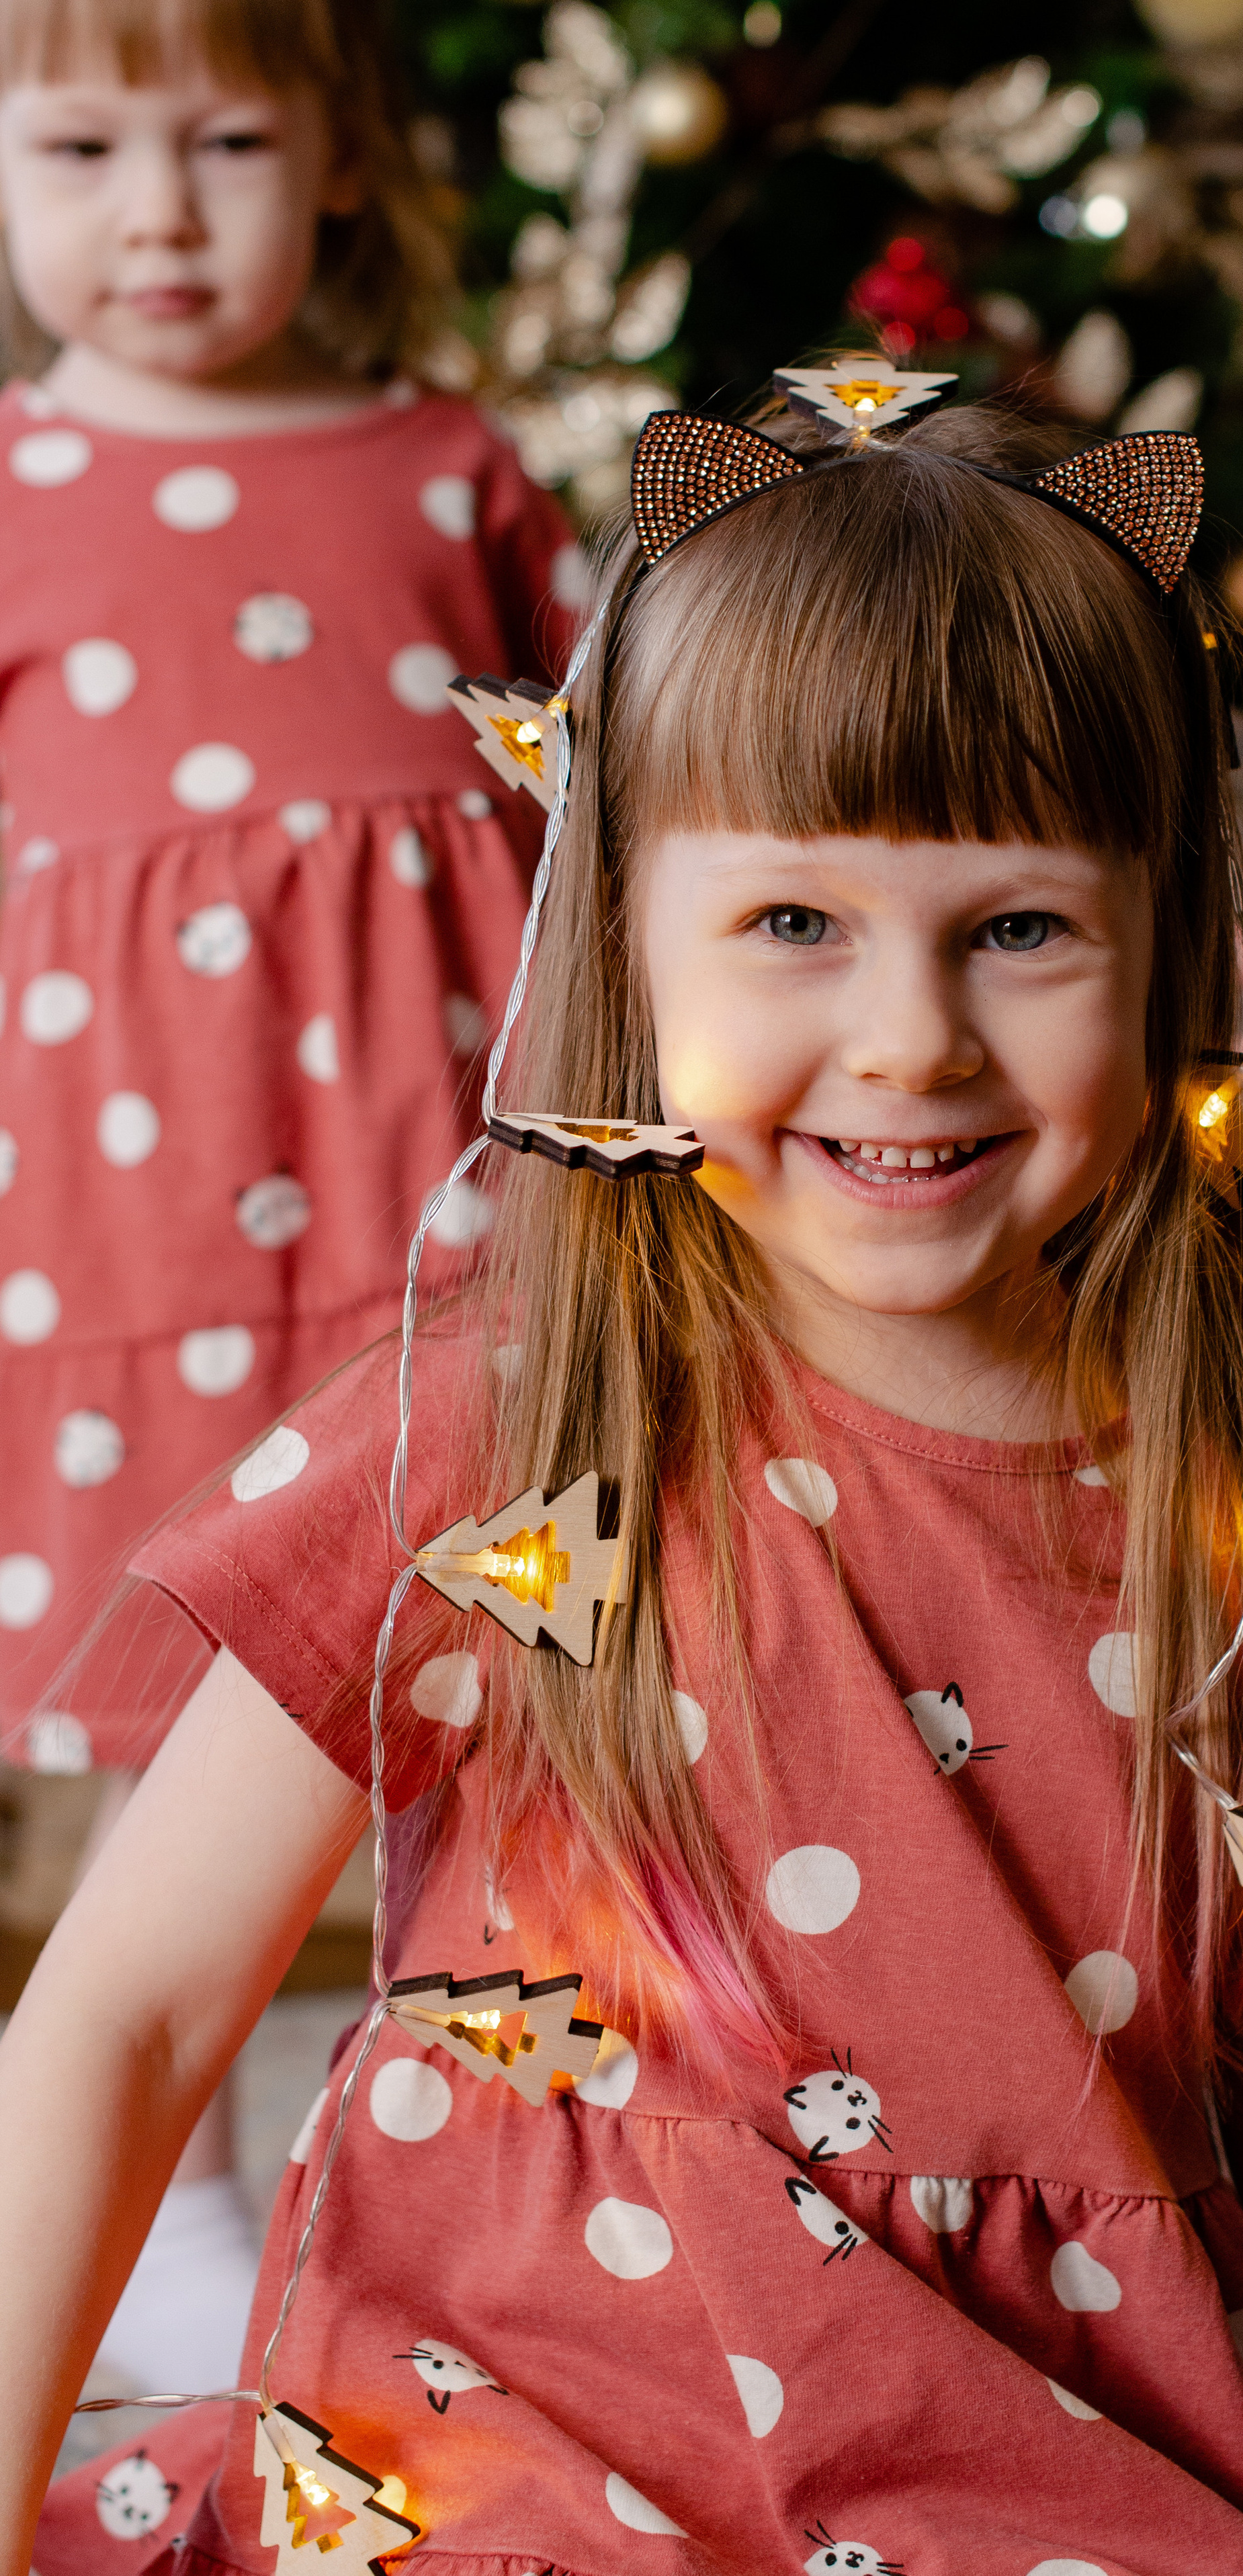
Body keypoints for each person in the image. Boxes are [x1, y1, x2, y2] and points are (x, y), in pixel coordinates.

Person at [5, 392, 1243, 2576]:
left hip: (1045, 2488)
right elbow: (130, 2010)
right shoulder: (512, 1437)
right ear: (632, 941)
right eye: (797, 922)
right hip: (513, 2461)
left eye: (1016, 930)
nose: (909, 1035)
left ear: (1169, 942)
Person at [0, 0, 577, 2394]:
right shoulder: (15, 473)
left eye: (228, 137)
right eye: (82, 142)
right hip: (108, 1192)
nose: (157, 209)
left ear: (341, 159)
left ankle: (483, 2170)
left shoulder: (450, 467)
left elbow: (601, 805)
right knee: (165, 1658)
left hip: (414, 1182)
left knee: (474, 1610)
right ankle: (169, 2203)